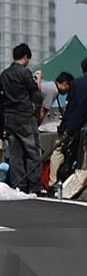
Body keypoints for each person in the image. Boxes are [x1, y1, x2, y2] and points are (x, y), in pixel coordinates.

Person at [0, 43, 42, 194]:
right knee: (32, 151)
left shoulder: (4, 74)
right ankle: (34, 186)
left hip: (9, 116)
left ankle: (19, 185)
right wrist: (38, 81)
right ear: (26, 57)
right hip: (25, 115)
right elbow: (35, 93)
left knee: (15, 153)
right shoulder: (25, 73)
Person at [50, 58, 87, 192]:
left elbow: (72, 107)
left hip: (74, 125)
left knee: (58, 151)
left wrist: (65, 126)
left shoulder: (77, 84)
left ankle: (53, 182)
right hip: (81, 125)